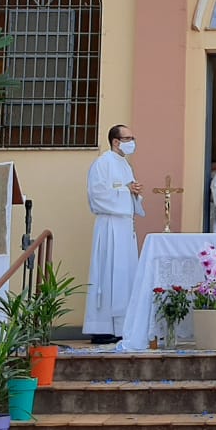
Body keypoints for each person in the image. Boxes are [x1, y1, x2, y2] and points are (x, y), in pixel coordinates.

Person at [83, 124, 145, 345]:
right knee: (107, 274)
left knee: (124, 274)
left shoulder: (125, 165)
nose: (132, 142)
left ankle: (121, 326)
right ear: (116, 142)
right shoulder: (102, 163)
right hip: (109, 226)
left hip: (125, 227)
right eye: (128, 138)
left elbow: (128, 192)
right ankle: (101, 327)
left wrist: (135, 193)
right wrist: (126, 191)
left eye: (133, 137)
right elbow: (97, 195)